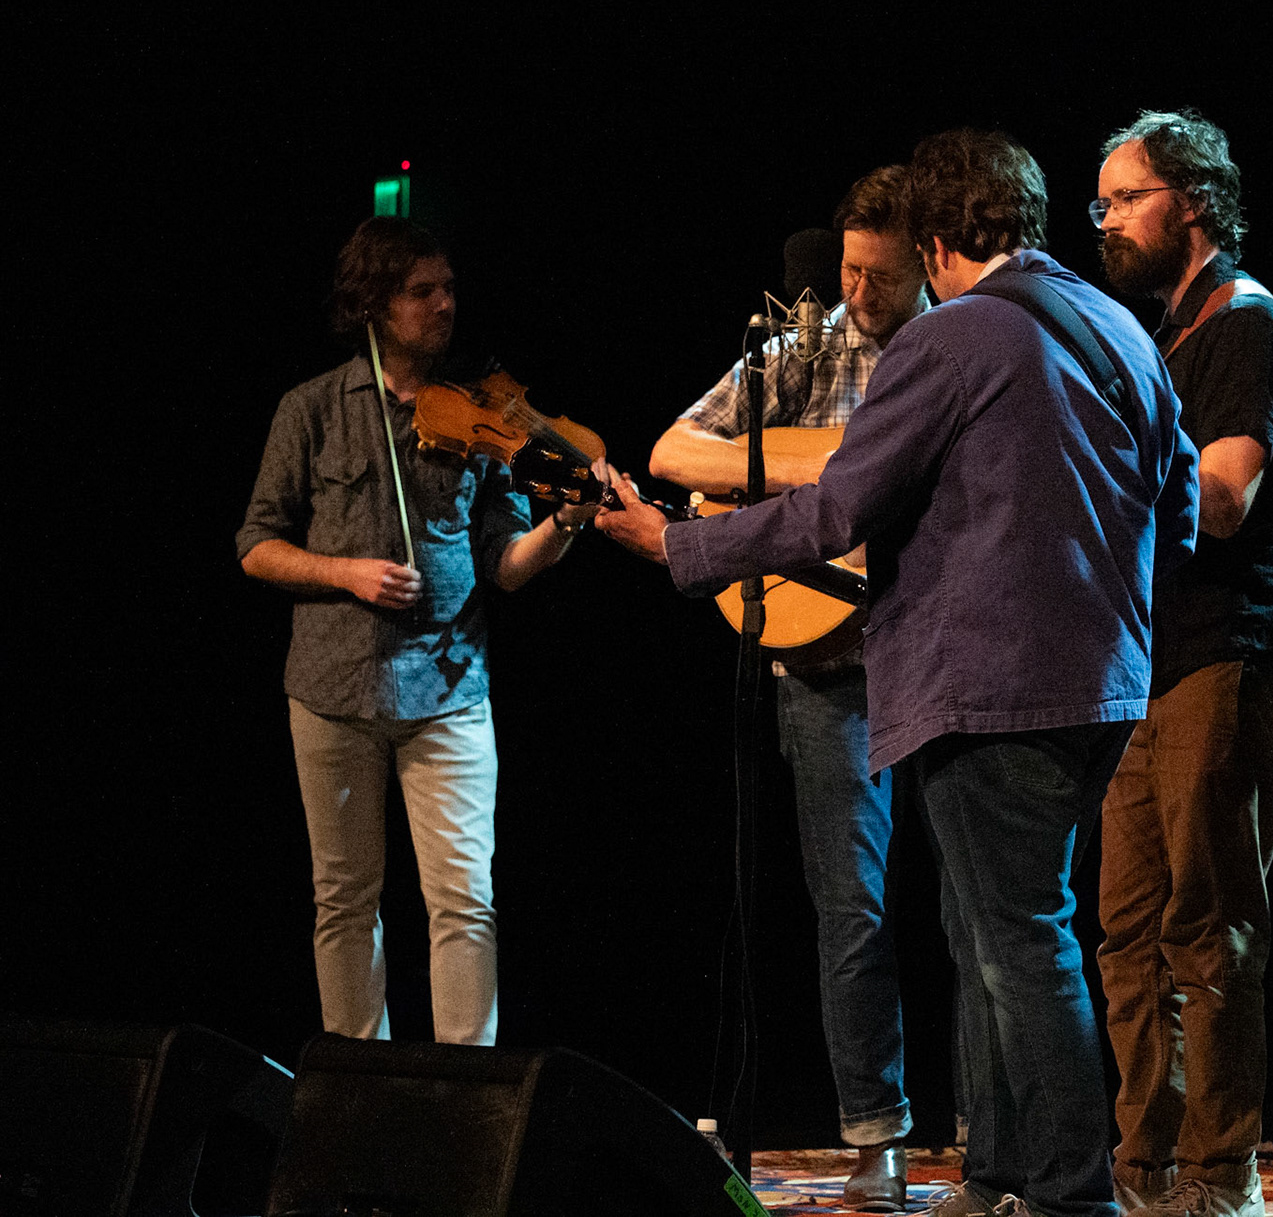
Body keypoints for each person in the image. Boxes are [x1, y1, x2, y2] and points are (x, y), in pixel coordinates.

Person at [598, 129, 1200, 1217]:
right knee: (994, 933)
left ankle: (1073, 1194)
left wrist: (678, 546)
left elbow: (837, 510)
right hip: (1105, 681)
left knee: (1022, 944)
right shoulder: (1118, 325)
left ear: (932, 244)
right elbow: (1185, 506)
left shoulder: (950, 338)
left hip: (991, 687)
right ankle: (1001, 1171)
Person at [237, 217, 596, 1047]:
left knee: (466, 901)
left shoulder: (481, 413)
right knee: (344, 901)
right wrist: (345, 572)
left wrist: (567, 522)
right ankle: (357, 1081)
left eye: (448, 288)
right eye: (421, 292)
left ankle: (464, 1089)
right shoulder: (311, 409)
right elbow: (255, 545)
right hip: (333, 691)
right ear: (374, 304)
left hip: (449, 687)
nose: (444, 305)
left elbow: (507, 564)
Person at [647, 166, 931, 1212]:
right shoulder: (804, 350)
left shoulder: (953, 350)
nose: (856, 292)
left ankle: (1005, 1138)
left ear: (928, 263)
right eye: (849, 270)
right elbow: (675, 448)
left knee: (978, 910)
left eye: (879, 276)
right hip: (825, 666)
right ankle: (876, 1135)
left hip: (940, 652)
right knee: (850, 904)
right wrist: (818, 471)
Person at [1089, 112, 1273, 1217]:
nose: (1106, 221)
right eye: (1098, 203)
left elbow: (1222, 499)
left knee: (1208, 922)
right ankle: (1144, 1167)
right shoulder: (1168, 334)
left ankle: (1222, 1174)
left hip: (1236, 653)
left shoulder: (1246, 325)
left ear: (1191, 200)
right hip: (1152, 661)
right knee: (1127, 931)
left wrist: (1096, 460)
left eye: (1125, 198)